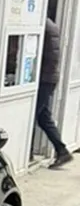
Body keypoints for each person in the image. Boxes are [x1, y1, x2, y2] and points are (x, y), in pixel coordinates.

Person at [36, 18, 73, 169]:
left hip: (44, 79)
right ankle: (62, 151)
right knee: (43, 116)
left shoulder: (42, 24)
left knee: (35, 114)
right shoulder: (50, 25)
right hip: (49, 78)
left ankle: (61, 150)